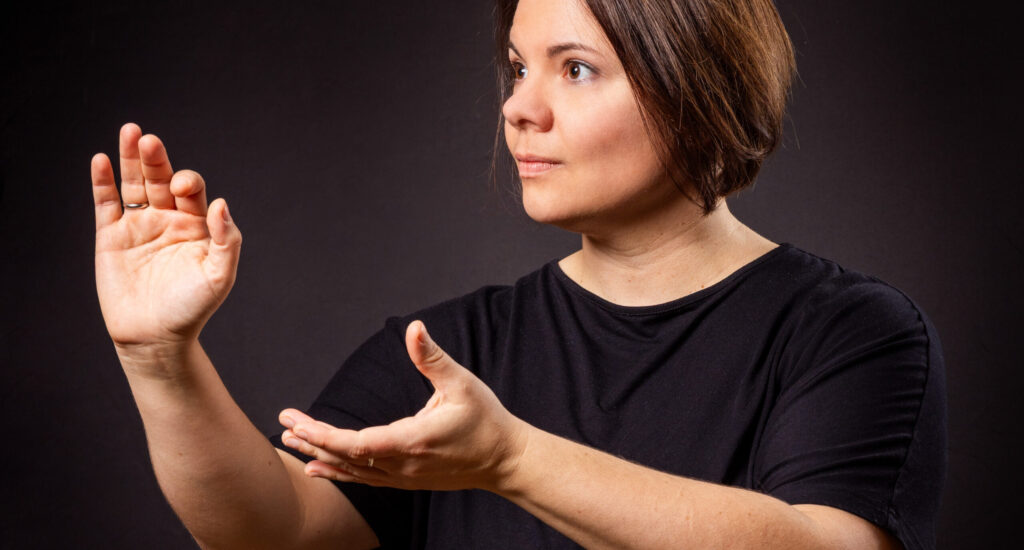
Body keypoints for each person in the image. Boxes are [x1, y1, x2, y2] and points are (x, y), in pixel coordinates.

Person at [90, 0, 946, 548]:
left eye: (576, 69)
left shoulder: (852, 332)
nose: (517, 106)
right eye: (518, 66)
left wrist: (510, 459)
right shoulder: (446, 349)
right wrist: (160, 361)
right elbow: (277, 531)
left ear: (698, 88)